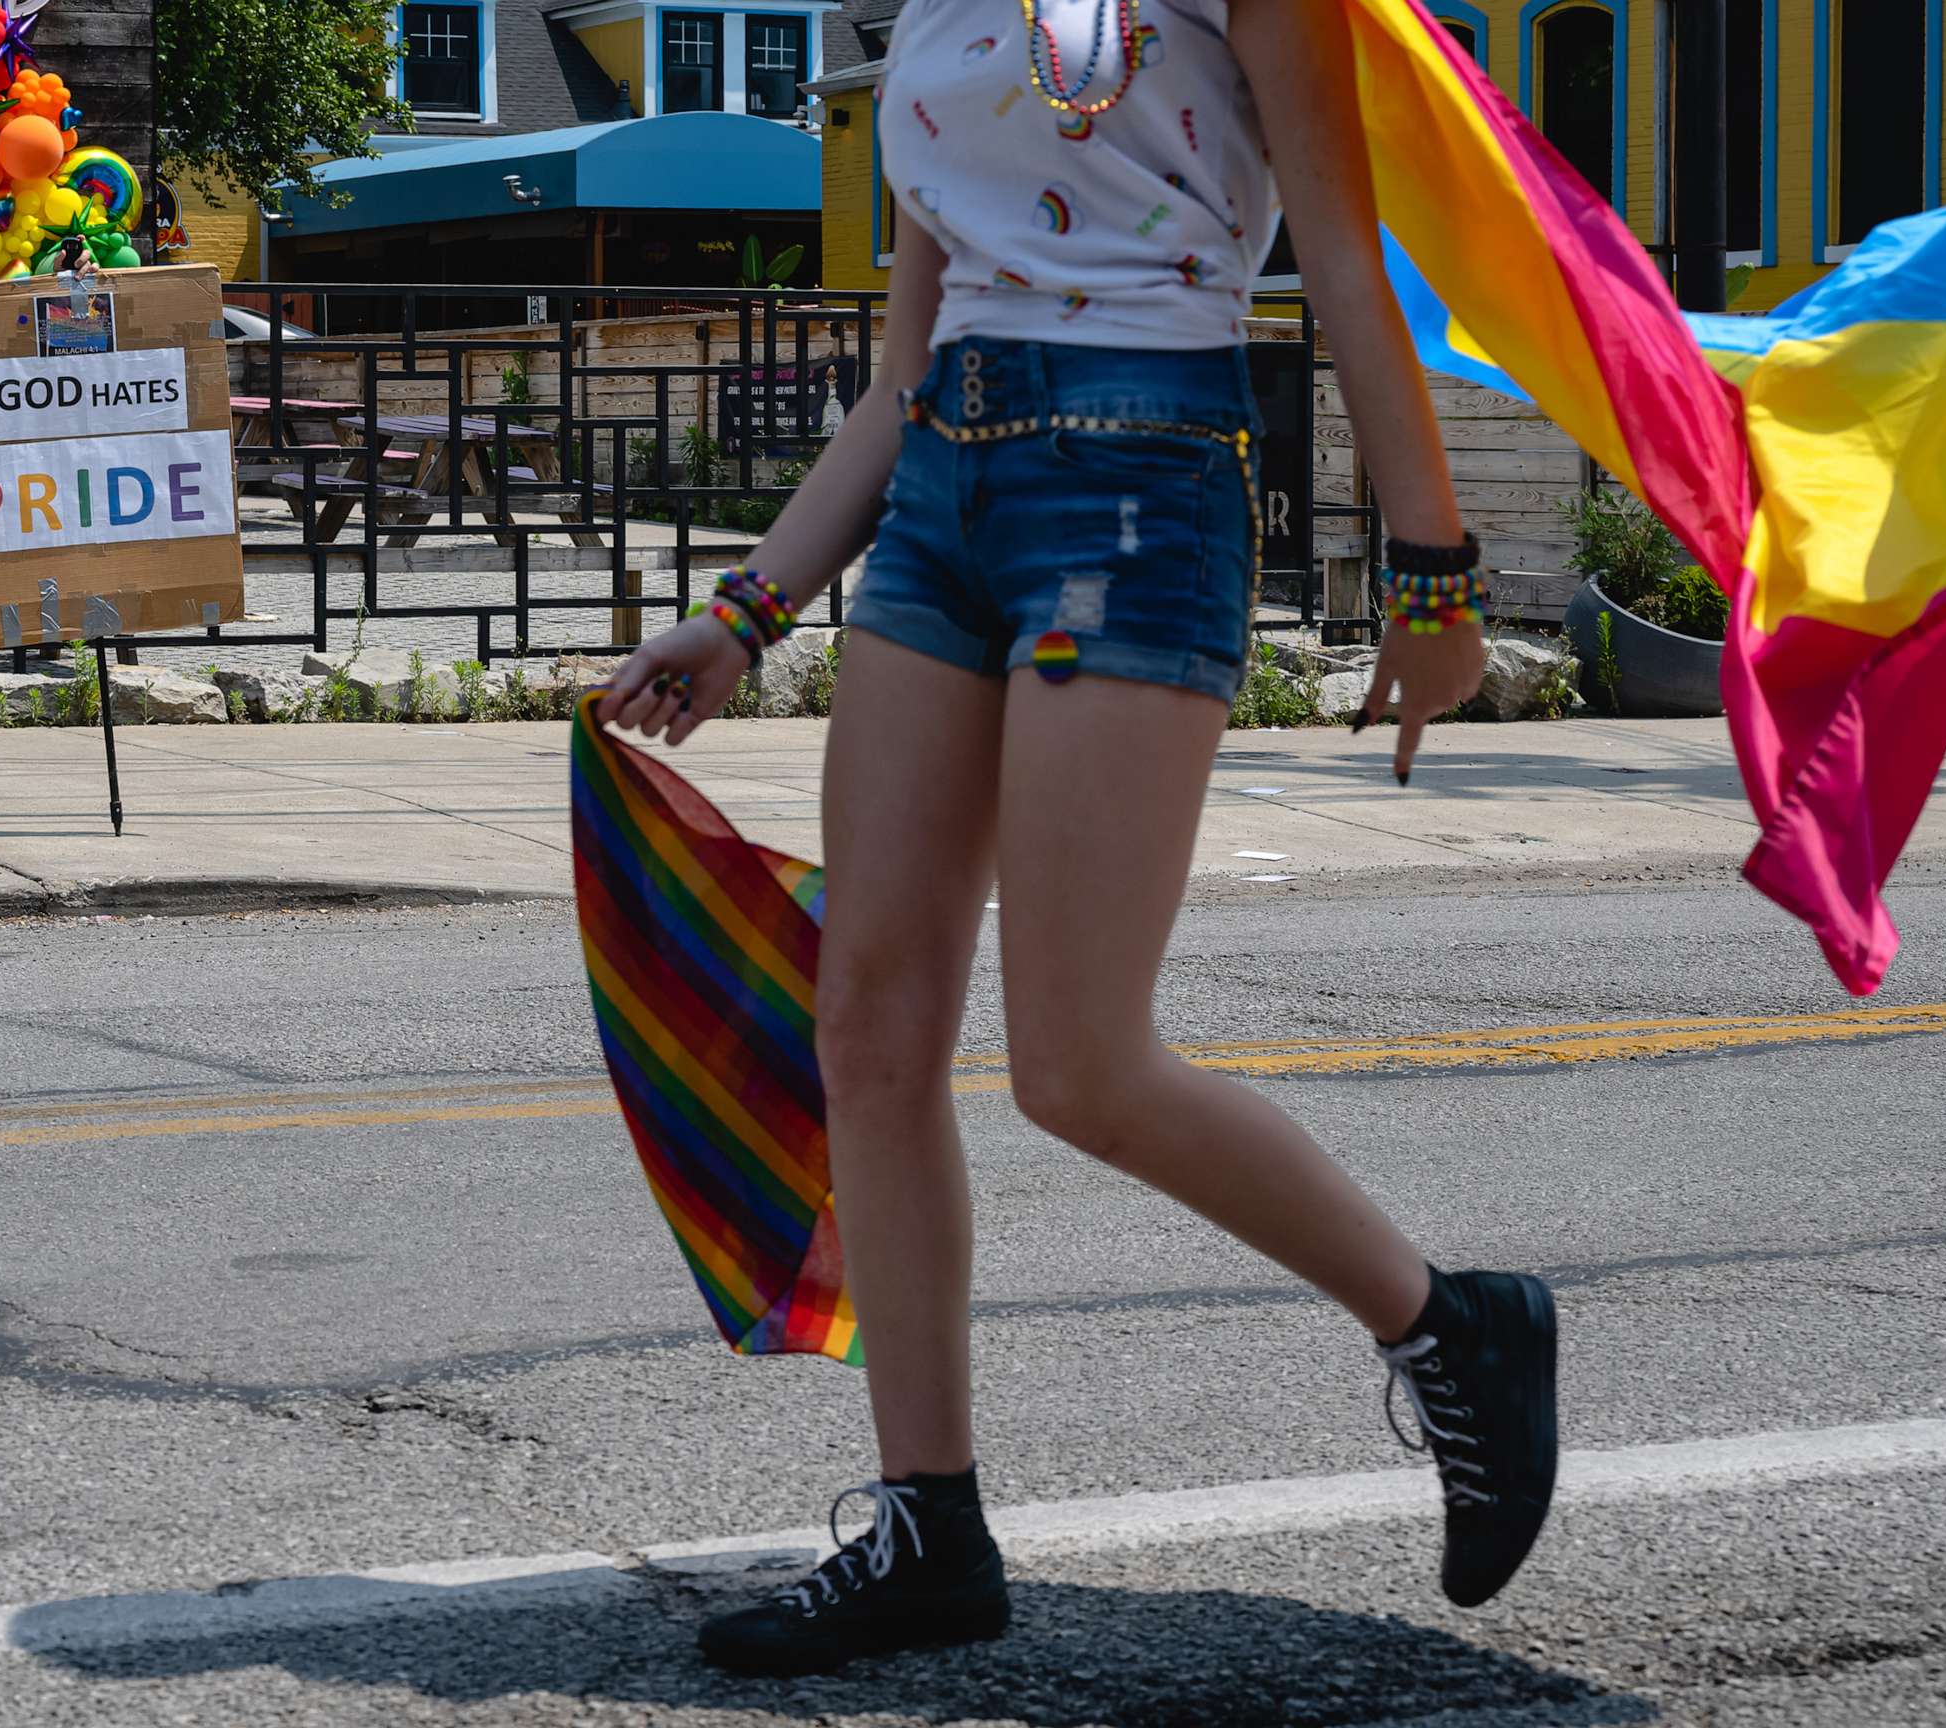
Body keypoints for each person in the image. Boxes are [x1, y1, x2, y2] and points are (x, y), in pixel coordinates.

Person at [596, 0, 1561, 1676]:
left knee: (1080, 1063)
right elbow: (909, 364)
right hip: (941, 499)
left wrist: (1435, 573)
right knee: (870, 1027)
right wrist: (747, 610)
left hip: (1138, 478)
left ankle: (1446, 1319)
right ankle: (928, 1524)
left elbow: (1341, 255)